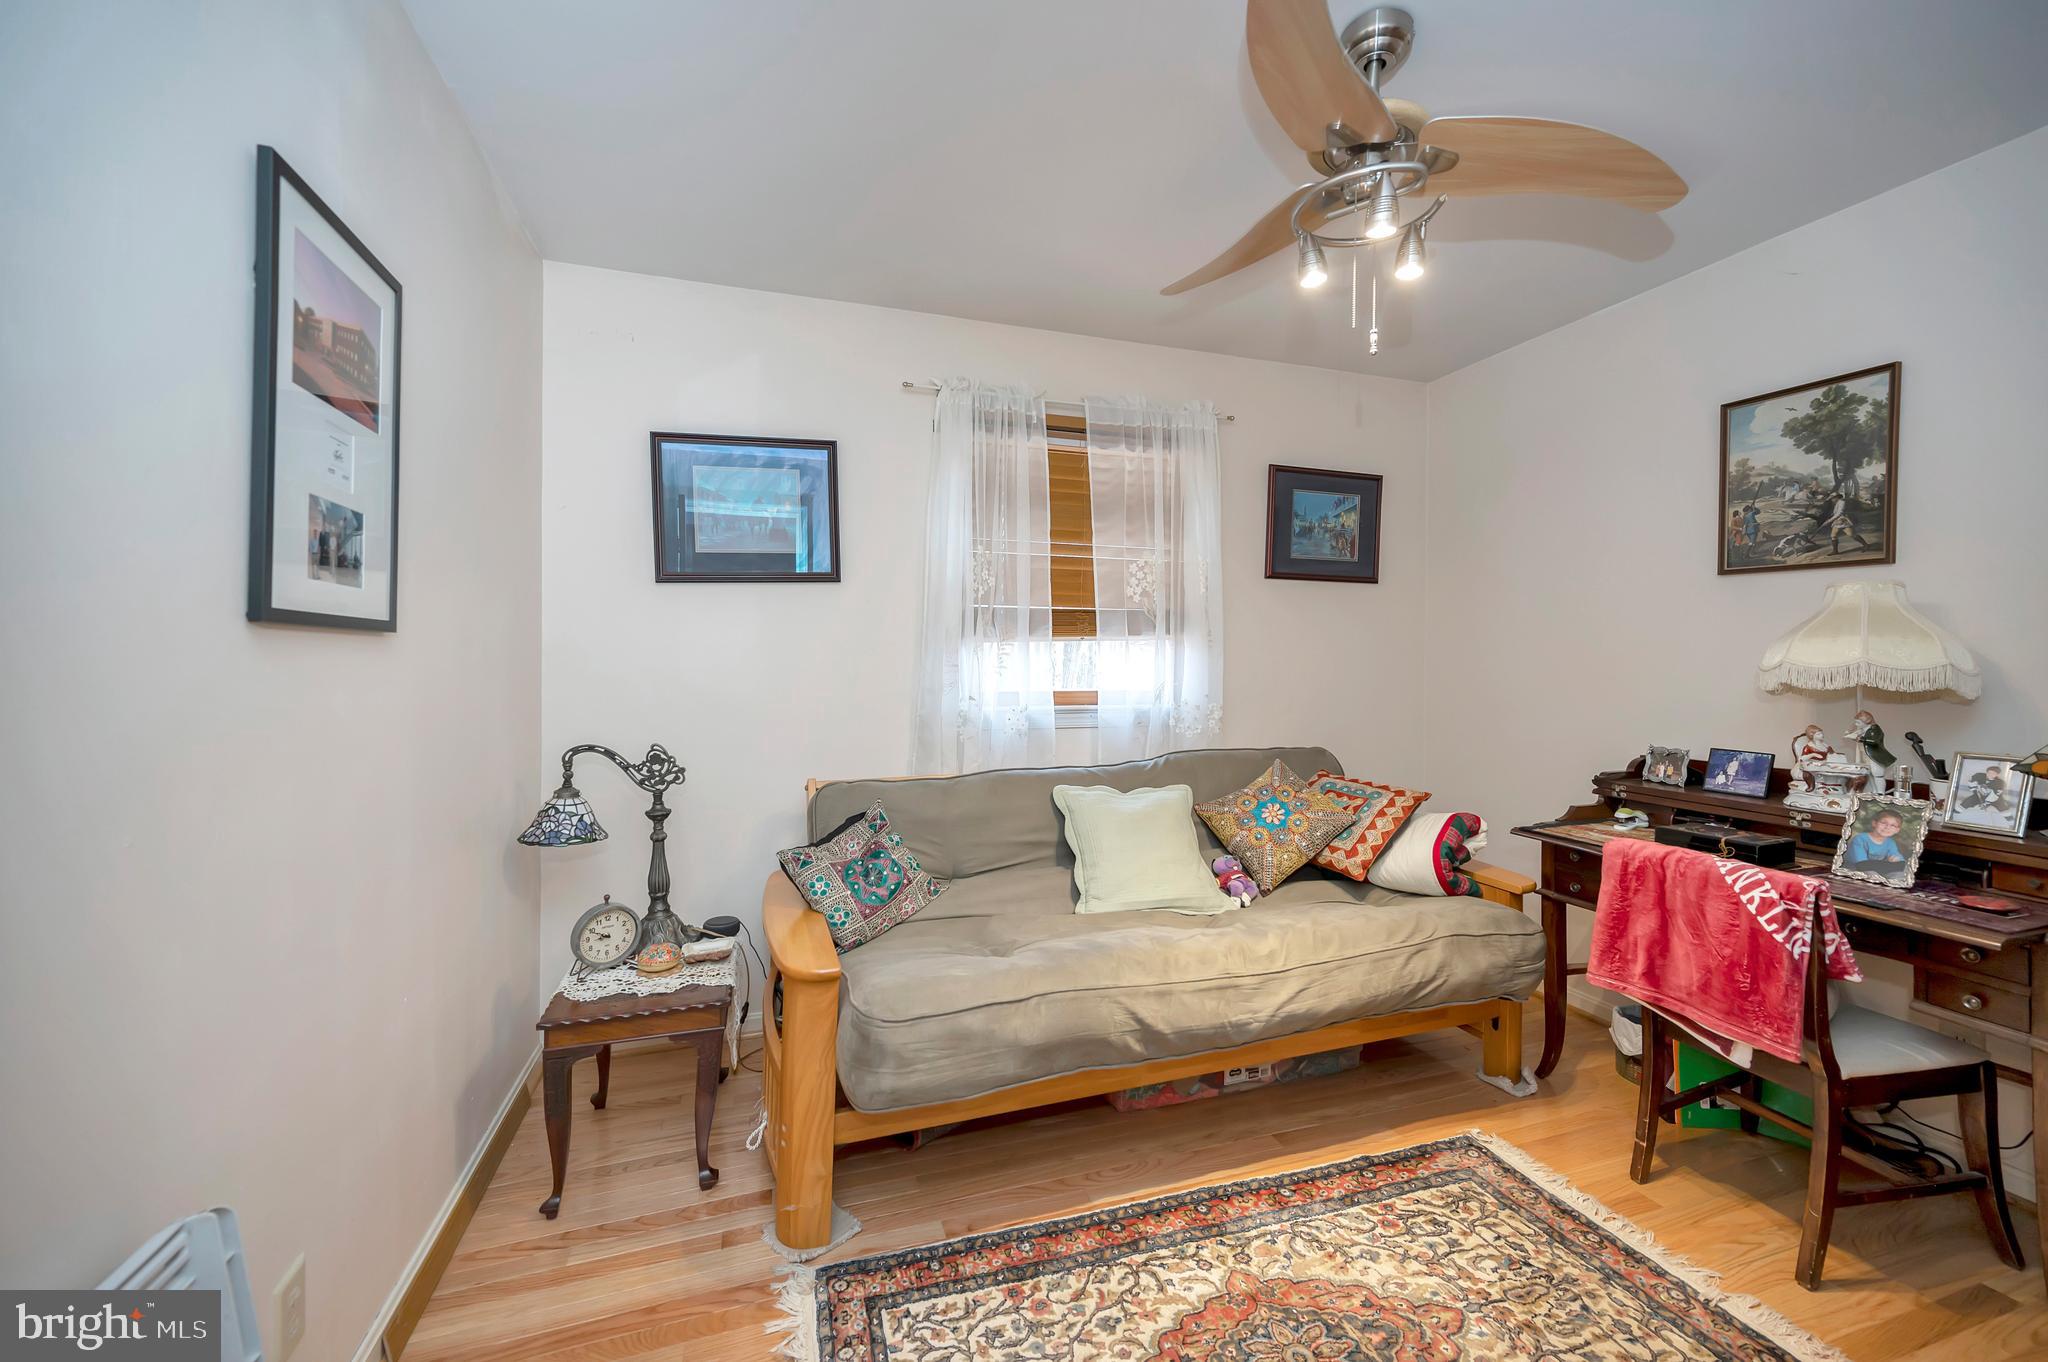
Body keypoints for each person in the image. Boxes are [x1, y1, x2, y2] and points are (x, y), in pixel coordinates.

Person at [1846, 810, 1911, 883]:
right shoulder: (1860, 839)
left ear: (1897, 830)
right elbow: (1861, 865)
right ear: (1874, 823)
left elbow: (1900, 864)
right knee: (1872, 875)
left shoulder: (1890, 842)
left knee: (1902, 873)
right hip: (1854, 869)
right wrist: (1889, 865)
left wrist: (1894, 862)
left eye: (1893, 825)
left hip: (1878, 869)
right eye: (1883, 823)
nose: (1887, 827)